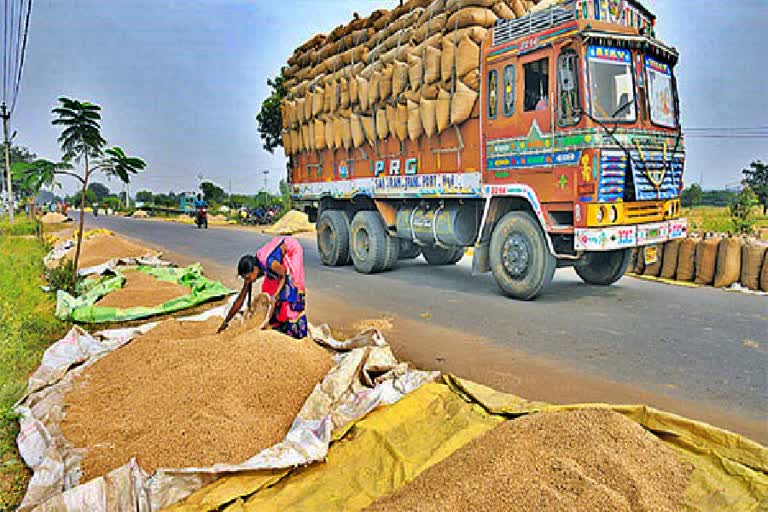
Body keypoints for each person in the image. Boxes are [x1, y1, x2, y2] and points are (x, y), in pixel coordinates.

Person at [217, 236, 307, 338]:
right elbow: (240, 299)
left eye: (248, 277)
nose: (248, 280)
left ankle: (295, 330)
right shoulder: (254, 269)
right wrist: (226, 322)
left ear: (255, 269)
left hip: (291, 249)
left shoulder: (269, 263)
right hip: (275, 259)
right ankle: (277, 321)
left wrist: (275, 296)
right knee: (268, 290)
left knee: (290, 290)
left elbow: (283, 275)